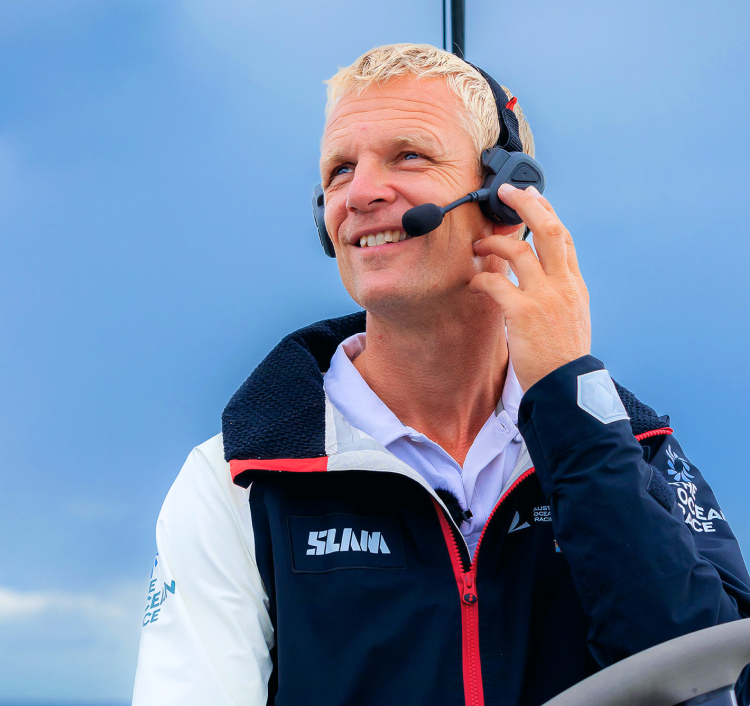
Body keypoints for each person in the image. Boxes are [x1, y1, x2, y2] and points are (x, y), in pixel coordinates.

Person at [132, 44, 750, 706]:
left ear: (507, 198)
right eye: (340, 170)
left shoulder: (632, 451)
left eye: (409, 156)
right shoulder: (235, 481)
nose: (360, 193)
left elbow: (717, 685)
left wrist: (573, 410)